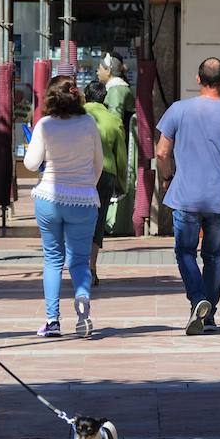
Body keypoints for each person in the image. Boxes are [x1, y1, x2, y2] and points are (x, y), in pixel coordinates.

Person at [156, 57, 220, 335]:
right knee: (213, 256)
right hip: (218, 198)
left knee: (184, 252)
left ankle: (199, 300)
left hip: (185, 196)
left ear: (198, 80)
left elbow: (162, 152)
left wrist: (167, 178)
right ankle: (208, 316)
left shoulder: (177, 110)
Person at [23, 75, 103, 338]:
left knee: (52, 260)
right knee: (79, 261)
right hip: (83, 200)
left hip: (49, 198)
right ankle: (82, 307)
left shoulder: (44, 125)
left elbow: (31, 164)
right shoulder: (89, 123)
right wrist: (86, 185)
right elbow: (98, 163)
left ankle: (52, 321)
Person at [83, 80, 127, 286]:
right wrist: (121, 183)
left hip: (78, 174)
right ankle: (91, 267)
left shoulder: (75, 117)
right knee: (98, 221)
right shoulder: (113, 121)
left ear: (85, 96)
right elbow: (121, 157)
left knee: (76, 219)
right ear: (105, 98)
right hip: (105, 175)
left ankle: (78, 266)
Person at [97, 51, 135, 127]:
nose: (97, 72)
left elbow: (115, 123)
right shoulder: (117, 87)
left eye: (99, 68)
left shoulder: (116, 90)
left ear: (108, 71)